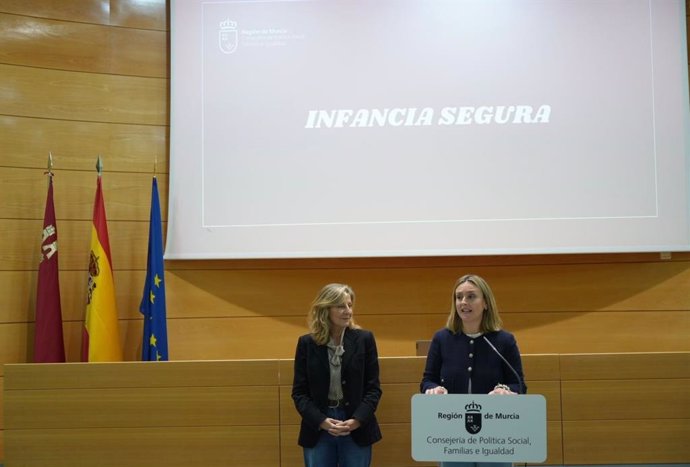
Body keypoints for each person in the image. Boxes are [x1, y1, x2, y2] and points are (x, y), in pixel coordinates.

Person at [420, 274, 526, 467]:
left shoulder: (504, 341)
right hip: (452, 434)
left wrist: (506, 391)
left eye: (471, 296)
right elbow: (427, 381)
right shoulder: (442, 339)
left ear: (486, 303)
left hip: (496, 435)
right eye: (458, 297)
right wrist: (433, 389)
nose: (463, 302)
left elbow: (519, 385)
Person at [292, 283, 383, 467]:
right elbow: (299, 393)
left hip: (356, 427)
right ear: (325, 309)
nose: (347, 311)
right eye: (341, 306)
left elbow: (373, 388)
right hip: (319, 426)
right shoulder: (306, 343)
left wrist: (356, 421)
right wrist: (322, 421)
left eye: (349, 305)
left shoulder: (364, 339)